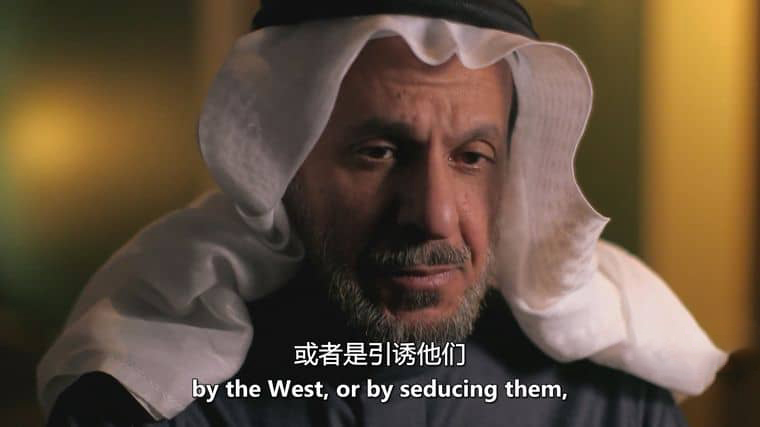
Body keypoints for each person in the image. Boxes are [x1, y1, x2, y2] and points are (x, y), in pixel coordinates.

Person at [39, 1, 726, 426]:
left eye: (472, 156)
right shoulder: (167, 401)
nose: (433, 216)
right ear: (283, 166)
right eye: (378, 153)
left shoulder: (609, 402)